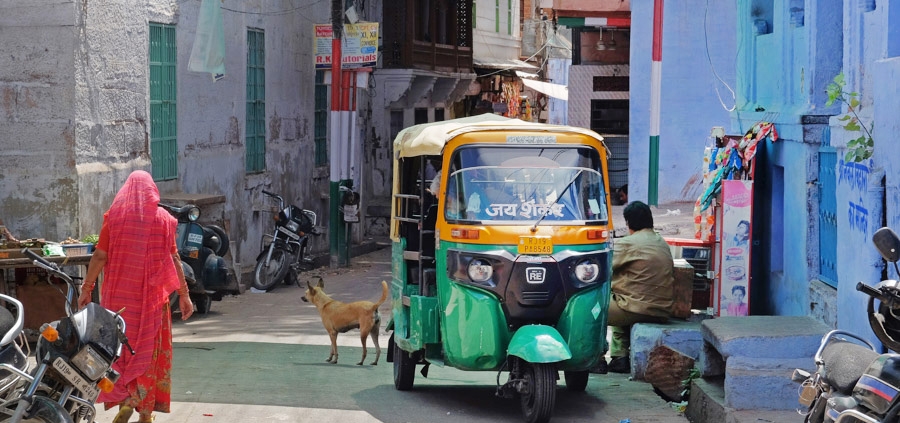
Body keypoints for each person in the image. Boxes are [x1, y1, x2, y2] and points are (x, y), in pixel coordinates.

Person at [77, 170, 194, 423]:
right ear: (153, 192)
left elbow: (99, 256)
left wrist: (87, 289)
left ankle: (125, 400)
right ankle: (144, 410)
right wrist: (184, 295)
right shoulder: (165, 219)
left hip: (118, 301)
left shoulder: (115, 217)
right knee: (149, 349)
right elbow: (174, 259)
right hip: (153, 302)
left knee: (119, 350)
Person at [604, 201, 674, 374]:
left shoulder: (628, 243)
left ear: (628, 223)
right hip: (662, 311)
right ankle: (619, 357)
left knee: (593, 308)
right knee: (621, 297)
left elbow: (603, 268)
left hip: (637, 309)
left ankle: (595, 359)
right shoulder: (661, 242)